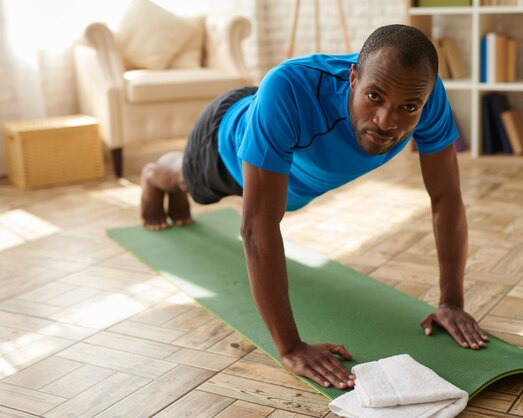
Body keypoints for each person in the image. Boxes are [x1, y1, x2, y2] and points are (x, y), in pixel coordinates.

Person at [140, 24, 489, 391]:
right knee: (189, 182)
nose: (387, 121)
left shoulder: (426, 95)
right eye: (374, 96)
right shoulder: (291, 89)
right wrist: (290, 347)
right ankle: (152, 176)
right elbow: (257, 227)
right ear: (353, 78)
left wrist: (451, 302)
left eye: (408, 107)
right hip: (226, 145)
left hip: (281, 149)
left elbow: (446, 197)